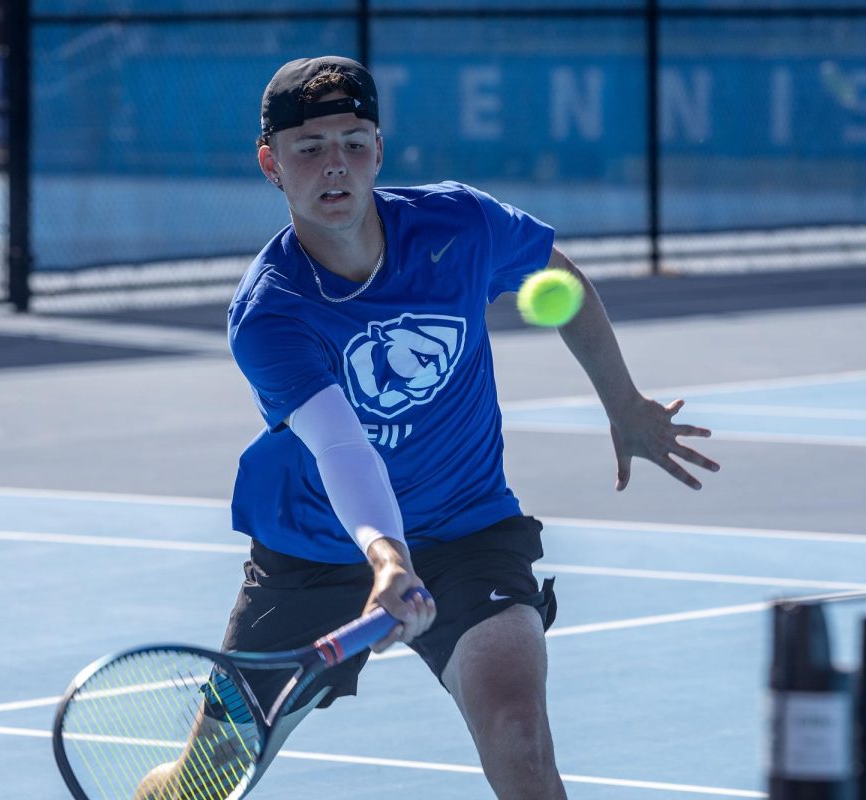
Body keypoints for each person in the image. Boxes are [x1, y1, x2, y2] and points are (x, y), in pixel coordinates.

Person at [180, 55, 718, 799]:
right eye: (310, 148)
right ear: (272, 164)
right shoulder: (271, 310)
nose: (335, 166)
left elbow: (555, 280)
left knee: (518, 732)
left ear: (380, 150)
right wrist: (388, 558)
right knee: (204, 783)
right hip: (312, 547)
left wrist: (622, 402)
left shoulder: (458, 225)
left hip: (467, 532)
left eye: (355, 141)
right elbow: (342, 443)